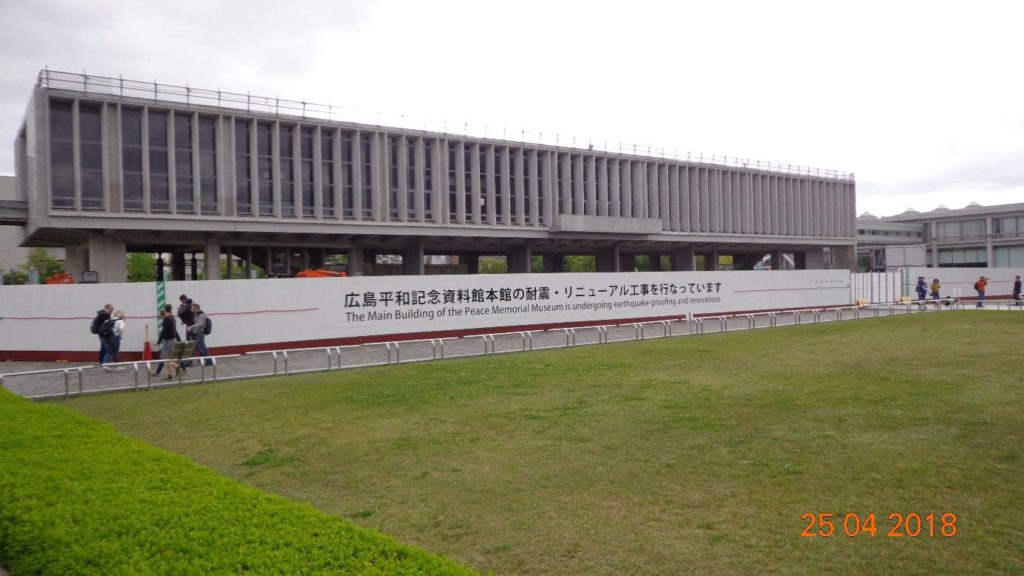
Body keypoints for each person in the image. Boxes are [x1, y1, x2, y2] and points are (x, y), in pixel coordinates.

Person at [155, 304, 181, 378]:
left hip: (169, 341)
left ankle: (176, 368)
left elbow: (163, 332)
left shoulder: (166, 319)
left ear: (165, 309)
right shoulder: (172, 317)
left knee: (166, 358)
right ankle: (170, 373)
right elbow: (174, 331)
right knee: (166, 358)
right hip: (172, 340)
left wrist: (158, 342)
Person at [188, 302, 211, 366]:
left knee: (202, 348)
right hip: (195, 334)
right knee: (200, 348)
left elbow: (200, 324)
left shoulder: (201, 315)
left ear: (195, 308)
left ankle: (209, 361)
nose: (191, 309)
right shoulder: (195, 315)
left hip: (199, 334)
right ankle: (207, 360)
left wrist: (191, 327)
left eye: (192, 308)